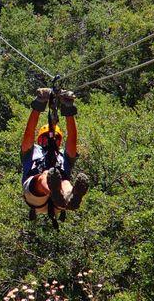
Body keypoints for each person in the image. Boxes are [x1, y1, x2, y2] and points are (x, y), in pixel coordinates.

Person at [21, 88, 89, 220]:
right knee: (46, 176)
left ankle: (71, 196)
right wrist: (38, 105)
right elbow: (29, 133)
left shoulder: (64, 155)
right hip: (35, 196)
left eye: (55, 138)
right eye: (45, 138)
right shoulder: (31, 151)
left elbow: (72, 139)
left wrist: (69, 109)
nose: (50, 140)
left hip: (61, 202)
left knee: (65, 182)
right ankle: (57, 192)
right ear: (39, 140)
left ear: (60, 141)